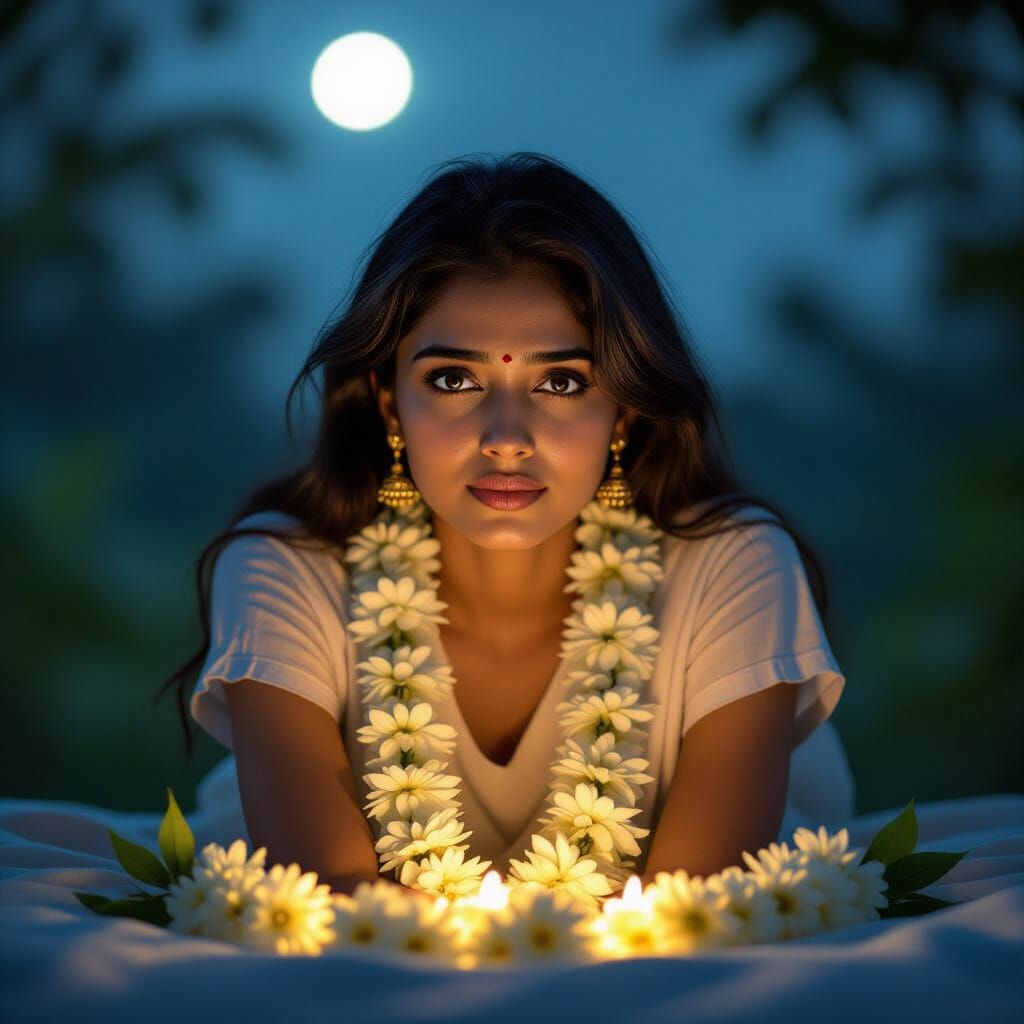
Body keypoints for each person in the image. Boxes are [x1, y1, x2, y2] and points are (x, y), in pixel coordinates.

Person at [155, 152, 852, 900]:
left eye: (561, 381)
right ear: (390, 404)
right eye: (455, 380)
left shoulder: (734, 565)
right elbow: (338, 909)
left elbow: (688, 916)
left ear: (623, 410)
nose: (507, 435)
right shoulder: (284, 570)